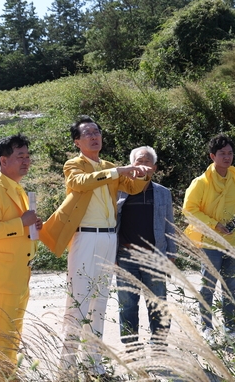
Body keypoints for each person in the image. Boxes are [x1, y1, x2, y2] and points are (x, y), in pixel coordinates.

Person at [40, 116, 153, 376]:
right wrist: (118, 171)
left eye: (97, 132)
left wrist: (143, 172)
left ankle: (94, 364)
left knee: (100, 301)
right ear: (77, 141)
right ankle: (66, 368)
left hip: (108, 236)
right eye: (88, 133)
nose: (94, 136)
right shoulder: (74, 164)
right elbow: (78, 183)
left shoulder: (109, 165)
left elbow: (132, 187)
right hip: (85, 236)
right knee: (78, 300)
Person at [0, 134, 43, 364]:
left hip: (19, 275)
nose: (26, 161)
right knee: (2, 336)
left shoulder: (17, 188)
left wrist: (32, 226)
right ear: (4, 161)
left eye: (27, 156)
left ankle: (8, 375)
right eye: (19, 156)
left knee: (13, 335)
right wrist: (22, 223)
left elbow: (20, 225)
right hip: (2, 278)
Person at [182, 134, 235, 345]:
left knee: (230, 288)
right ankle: (206, 328)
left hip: (232, 241)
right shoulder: (200, 182)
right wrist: (214, 224)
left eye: (230, 153)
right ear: (213, 156)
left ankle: (230, 330)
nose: (227, 157)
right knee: (207, 287)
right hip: (210, 241)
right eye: (222, 154)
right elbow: (189, 210)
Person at [116, 146, 176, 351]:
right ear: (130, 166)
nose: (142, 165)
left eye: (147, 162)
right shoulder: (119, 190)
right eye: (138, 161)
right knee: (127, 303)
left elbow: (170, 225)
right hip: (125, 255)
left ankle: (159, 344)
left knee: (158, 302)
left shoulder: (162, 193)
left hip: (155, 255)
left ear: (154, 167)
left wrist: (171, 254)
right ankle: (131, 345)